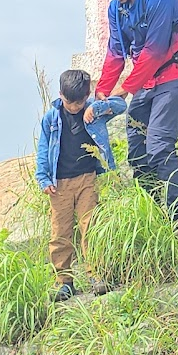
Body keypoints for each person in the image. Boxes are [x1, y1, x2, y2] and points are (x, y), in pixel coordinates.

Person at [89, 0, 178, 223]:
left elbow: (155, 50)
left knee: (159, 146)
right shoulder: (116, 8)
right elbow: (116, 52)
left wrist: (125, 88)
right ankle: (154, 217)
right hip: (146, 84)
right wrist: (101, 93)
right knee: (137, 154)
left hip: (174, 78)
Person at [35, 68, 126, 302]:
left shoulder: (92, 109)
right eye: (69, 102)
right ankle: (64, 281)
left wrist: (94, 107)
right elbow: (44, 149)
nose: (74, 107)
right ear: (60, 95)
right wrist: (43, 178)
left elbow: (120, 105)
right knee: (60, 232)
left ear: (87, 96)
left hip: (87, 179)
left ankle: (95, 274)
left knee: (90, 226)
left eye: (79, 102)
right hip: (59, 184)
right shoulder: (51, 118)